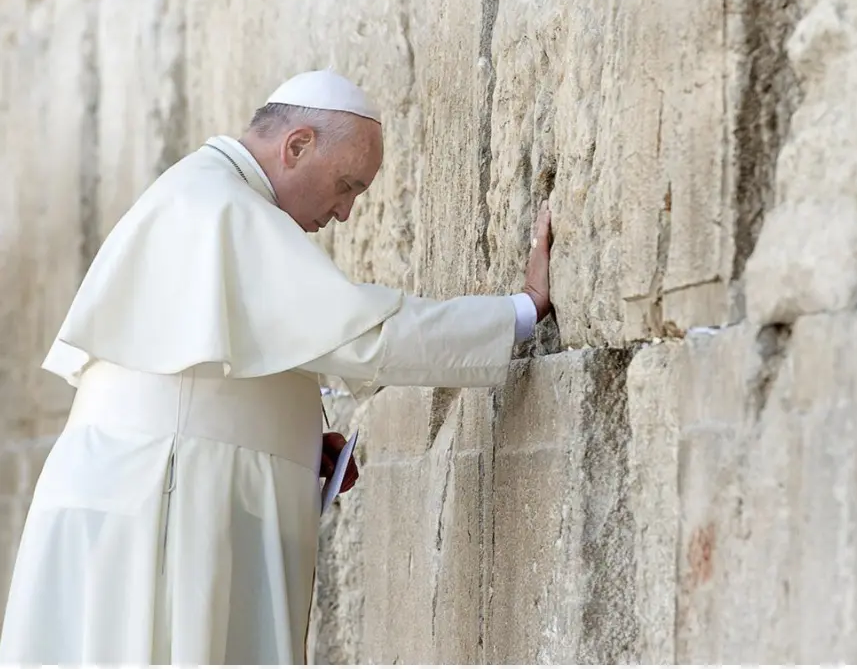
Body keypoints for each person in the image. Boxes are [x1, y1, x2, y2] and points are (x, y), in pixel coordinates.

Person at [0, 70, 553, 664]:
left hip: (149, 489)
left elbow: (207, 369)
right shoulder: (222, 205)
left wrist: (285, 430)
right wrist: (521, 310)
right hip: (163, 502)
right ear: (297, 146)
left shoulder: (204, 193)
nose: (344, 212)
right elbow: (366, 336)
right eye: (346, 185)